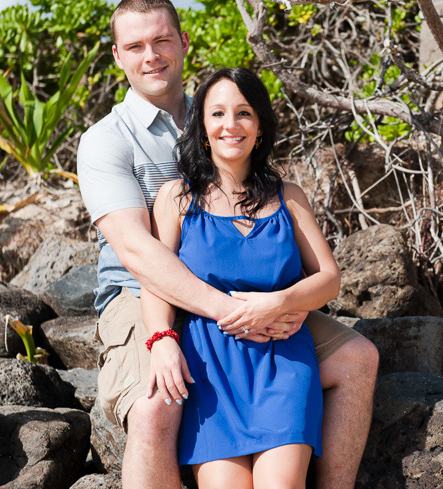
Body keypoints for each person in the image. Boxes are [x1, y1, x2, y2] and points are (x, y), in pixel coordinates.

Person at [77, 0, 378, 489]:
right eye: (134, 46)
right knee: (155, 407)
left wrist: (274, 303)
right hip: (139, 293)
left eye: (161, 40)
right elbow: (137, 252)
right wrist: (214, 316)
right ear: (117, 56)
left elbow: (316, 264)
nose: (150, 55)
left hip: (246, 298)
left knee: (357, 357)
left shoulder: (219, 111)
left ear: (183, 43)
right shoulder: (107, 139)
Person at [143, 67, 333, 488]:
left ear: (260, 126)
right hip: (209, 367)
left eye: (244, 113)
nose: (231, 125)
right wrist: (161, 341)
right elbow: (157, 281)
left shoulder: (290, 196)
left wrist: (281, 301)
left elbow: (329, 279)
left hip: (282, 362)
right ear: (203, 127)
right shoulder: (176, 197)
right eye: (218, 114)